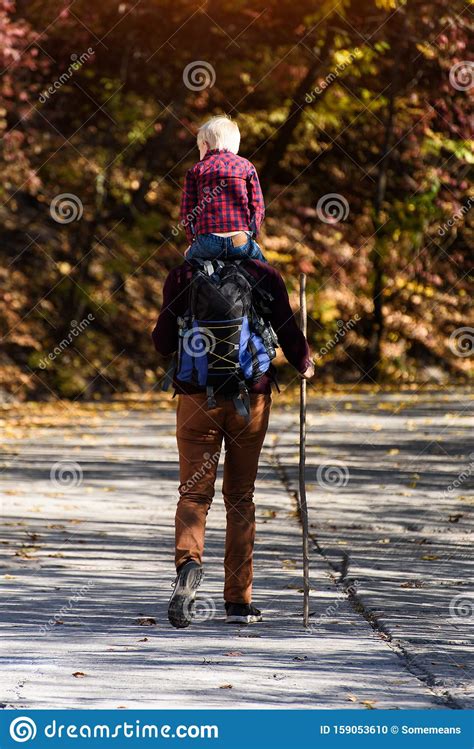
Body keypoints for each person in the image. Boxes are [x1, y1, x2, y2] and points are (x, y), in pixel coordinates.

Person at [152, 256, 314, 628]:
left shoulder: (182, 274)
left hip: (195, 399)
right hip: (250, 400)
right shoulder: (264, 275)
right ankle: (238, 603)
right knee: (240, 497)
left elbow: (162, 343)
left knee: (193, 494)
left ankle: (189, 565)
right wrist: (304, 362)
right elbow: (289, 334)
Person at [179, 115, 267, 263]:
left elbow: (187, 212)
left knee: (184, 272)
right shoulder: (246, 166)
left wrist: (192, 241)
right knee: (267, 273)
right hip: (240, 241)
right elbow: (258, 207)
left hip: (207, 242)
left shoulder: (196, 170)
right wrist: (252, 235)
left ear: (205, 145)